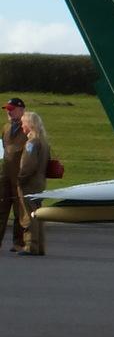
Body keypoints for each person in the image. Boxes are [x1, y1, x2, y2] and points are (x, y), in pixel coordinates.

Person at [16, 110, 50, 256]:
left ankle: (31, 245)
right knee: (38, 215)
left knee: (28, 216)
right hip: (40, 182)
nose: (22, 126)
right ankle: (39, 245)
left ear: (30, 124)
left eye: (23, 123)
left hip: (30, 183)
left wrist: (20, 179)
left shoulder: (32, 143)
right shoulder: (43, 142)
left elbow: (28, 165)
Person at [0, 97, 28, 252]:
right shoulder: (5, 128)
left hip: (21, 176)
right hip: (5, 174)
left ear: (21, 110)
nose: (9, 112)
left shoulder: (29, 128)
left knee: (19, 211)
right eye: (7, 110)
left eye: (12, 109)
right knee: (1, 208)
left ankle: (19, 242)